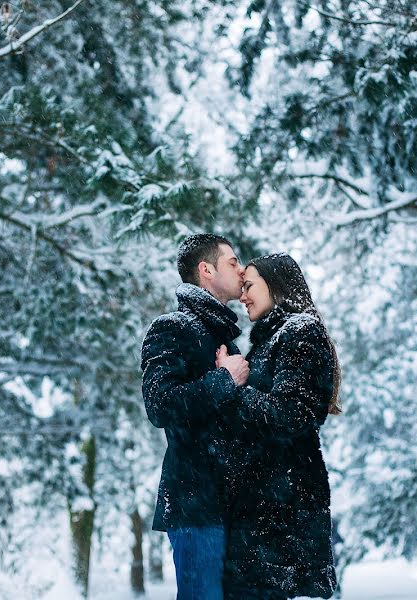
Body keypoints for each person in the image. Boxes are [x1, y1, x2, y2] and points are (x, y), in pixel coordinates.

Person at [217, 253, 341, 600]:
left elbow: (290, 414)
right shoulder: (267, 342)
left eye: (249, 286)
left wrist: (233, 384)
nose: (242, 295)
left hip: (281, 520)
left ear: (276, 285)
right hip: (262, 518)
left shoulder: (300, 332)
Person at [141, 234, 250, 600]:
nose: (241, 268)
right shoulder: (171, 328)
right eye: (232, 261)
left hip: (234, 509)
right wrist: (224, 380)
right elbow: (159, 405)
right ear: (206, 270)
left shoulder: (226, 340)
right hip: (197, 505)